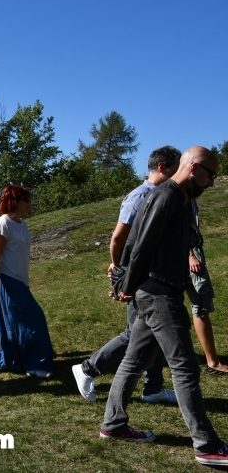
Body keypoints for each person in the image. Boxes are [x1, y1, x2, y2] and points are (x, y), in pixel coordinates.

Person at [99, 147, 228, 467]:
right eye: (211, 175)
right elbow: (138, 245)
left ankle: (113, 425)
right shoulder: (166, 196)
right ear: (195, 168)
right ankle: (206, 444)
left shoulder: (182, 200)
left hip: (161, 289)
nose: (212, 183)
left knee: (134, 359)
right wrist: (124, 285)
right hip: (157, 293)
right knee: (185, 365)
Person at [72, 146, 181, 402]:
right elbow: (119, 237)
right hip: (138, 277)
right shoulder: (141, 196)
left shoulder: (162, 195)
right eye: (176, 167)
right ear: (163, 167)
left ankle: (153, 387)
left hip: (152, 275)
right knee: (136, 333)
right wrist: (120, 270)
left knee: (153, 331)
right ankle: (88, 368)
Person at [0, 185, 54, 378]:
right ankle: (34, 365)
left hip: (19, 280)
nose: (28, 203)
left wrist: (25, 282)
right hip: (5, 280)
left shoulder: (21, 224)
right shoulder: (2, 224)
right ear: (14, 202)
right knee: (33, 319)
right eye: (25, 199)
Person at [186, 197, 228, 375]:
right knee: (200, 304)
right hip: (188, 253)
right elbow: (177, 225)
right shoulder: (178, 192)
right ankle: (213, 362)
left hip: (186, 250)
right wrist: (189, 254)